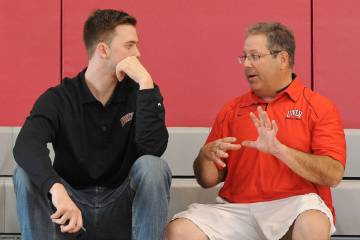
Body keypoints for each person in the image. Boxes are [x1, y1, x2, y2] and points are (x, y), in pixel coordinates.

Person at [166, 22, 346, 240]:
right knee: (180, 230)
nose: (247, 64)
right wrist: (205, 156)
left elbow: (333, 175)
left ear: (282, 59)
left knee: (313, 223)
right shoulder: (232, 109)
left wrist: (280, 150)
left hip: (294, 207)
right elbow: (208, 180)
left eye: (255, 56)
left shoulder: (318, 107)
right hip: (237, 210)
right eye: (244, 57)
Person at [13, 9, 171, 240]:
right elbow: (25, 145)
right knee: (25, 172)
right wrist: (56, 189)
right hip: (70, 212)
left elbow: (153, 150)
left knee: (153, 167)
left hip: (121, 209)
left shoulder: (142, 91)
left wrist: (146, 84)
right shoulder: (60, 98)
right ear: (103, 50)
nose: (138, 52)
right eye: (129, 45)